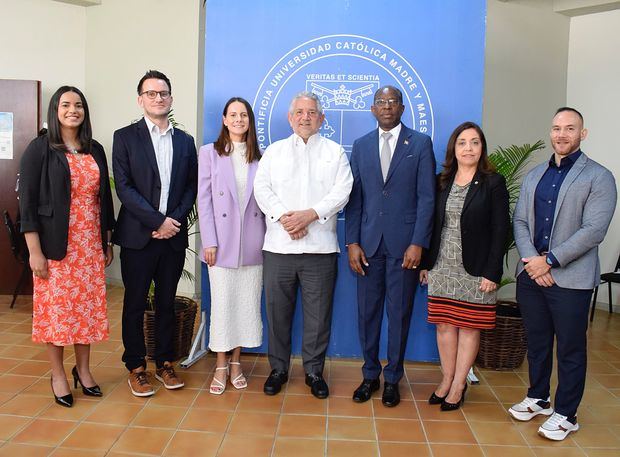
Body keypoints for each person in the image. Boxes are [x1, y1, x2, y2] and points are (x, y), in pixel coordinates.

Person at [509, 107, 616, 440]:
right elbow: (521, 221)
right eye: (556, 128)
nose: (561, 134)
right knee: (538, 342)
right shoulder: (535, 174)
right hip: (532, 275)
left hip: (570, 278)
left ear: (582, 134)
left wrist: (550, 260)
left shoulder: (599, 177)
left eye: (570, 128)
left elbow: (593, 230)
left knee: (570, 348)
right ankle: (539, 397)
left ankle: (567, 414)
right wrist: (532, 260)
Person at [19, 86, 114, 407]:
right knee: (57, 315)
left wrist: (107, 240)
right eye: (66, 104)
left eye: (78, 105)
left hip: (89, 246)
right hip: (54, 247)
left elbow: (104, 200)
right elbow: (28, 204)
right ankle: (58, 374)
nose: (73, 110)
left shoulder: (95, 149)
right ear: (55, 110)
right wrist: (34, 251)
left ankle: (84, 371)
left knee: (85, 312)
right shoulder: (40, 148)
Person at [253, 91, 353, 399]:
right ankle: (278, 369)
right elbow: (262, 188)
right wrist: (287, 219)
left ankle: (313, 371)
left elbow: (342, 190)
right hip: (279, 247)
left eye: (312, 112)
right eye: (299, 111)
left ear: (322, 118)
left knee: (318, 315)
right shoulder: (274, 152)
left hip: (320, 249)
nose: (305, 116)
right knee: (277, 312)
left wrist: (310, 215)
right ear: (290, 117)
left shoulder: (335, 152)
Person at [344, 86, 436, 407]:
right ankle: (370, 375)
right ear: (372, 109)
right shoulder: (361, 146)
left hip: (404, 248)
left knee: (399, 315)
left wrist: (418, 243)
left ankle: (393, 377)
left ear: (402, 107)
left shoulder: (420, 144)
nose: (387, 107)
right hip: (367, 247)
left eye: (392, 102)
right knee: (367, 314)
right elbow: (355, 200)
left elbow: (427, 199)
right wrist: (352, 242)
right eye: (381, 102)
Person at [112, 70, 198, 397]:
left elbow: (190, 187)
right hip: (138, 237)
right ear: (140, 100)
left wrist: (172, 221)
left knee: (165, 302)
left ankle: (164, 363)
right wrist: (156, 221)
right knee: (134, 303)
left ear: (171, 99)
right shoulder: (125, 137)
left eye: (163, 93)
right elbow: (124, 187)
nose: (157, 98)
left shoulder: (184, 142)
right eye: (151, 93)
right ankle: (136, 367)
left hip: (172, 236)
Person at [419, 121, 510, 411]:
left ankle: (459, 385)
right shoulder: (441, 180)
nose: (468, 148)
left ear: (482, 148)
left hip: (476, 269)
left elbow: (500, 230)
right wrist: (426, 264)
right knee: (445, 325)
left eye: (474, 142)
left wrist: (492, 271)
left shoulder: (493, 182)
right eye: (462, 143)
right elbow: (432, 226)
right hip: (442, 265)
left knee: (469, 327)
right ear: (453, 149)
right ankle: (446, 379)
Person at [197, 97, 265, 395]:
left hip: (252, 243)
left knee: (246, 304)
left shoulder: (260, 157)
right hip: (221, 244)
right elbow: (204, 200)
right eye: (233, 114)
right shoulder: (209, 154)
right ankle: (221, 363)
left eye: (244, 115)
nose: (239, 119)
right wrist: (209, 240)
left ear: (249, 121)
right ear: (224, 119)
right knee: (223, 305)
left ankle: (237, 362)